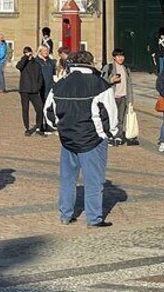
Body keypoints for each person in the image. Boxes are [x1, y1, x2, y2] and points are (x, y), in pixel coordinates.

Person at [44, 51, 117, 228]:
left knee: (67, 179)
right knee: (94, 180)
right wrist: (110, 133)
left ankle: (66, 214)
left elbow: (49, 112)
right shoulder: (100, 84)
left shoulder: (60, 84)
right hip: (92, 139)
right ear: (90, 63)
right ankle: (93, 218)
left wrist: (59, 128)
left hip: (67, 138)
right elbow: (110, 113)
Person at [16, 47, 46, 137]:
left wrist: (38, 87)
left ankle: (38, 128)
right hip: (24, 90)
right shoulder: (23, 63)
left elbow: (40, 77)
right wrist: (25, 57)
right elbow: (19, 66)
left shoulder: (36, 64)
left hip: (34, 90)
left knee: (40, 109)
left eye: (29, 52)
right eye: (26, 53)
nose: (28, 54)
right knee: (25, 109)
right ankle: (27, 128)